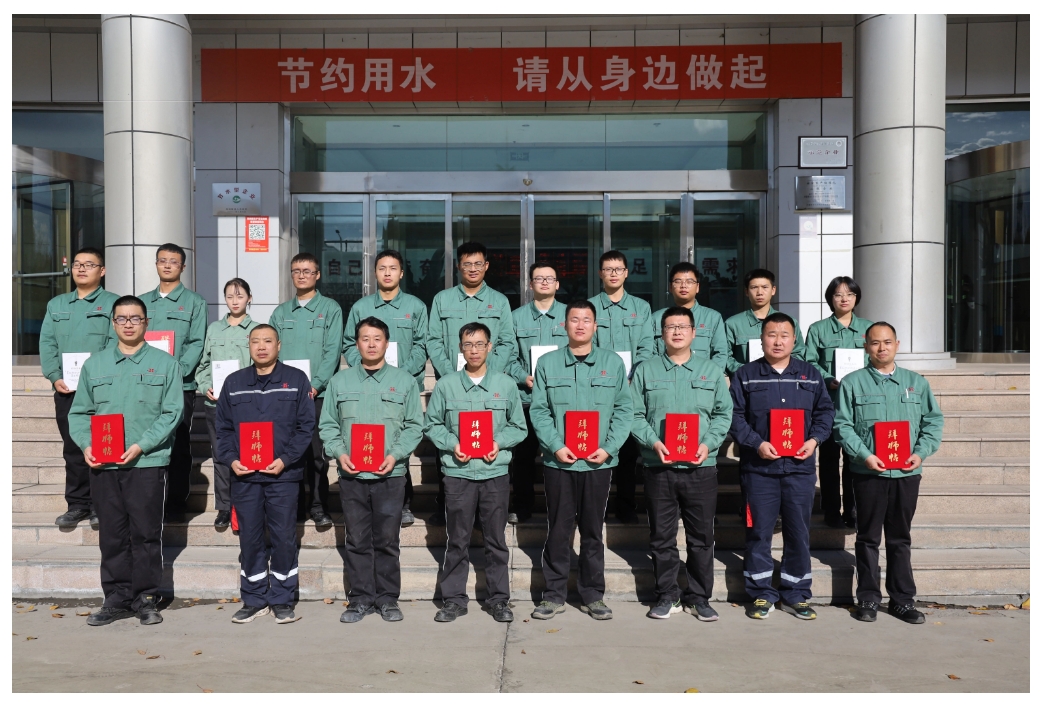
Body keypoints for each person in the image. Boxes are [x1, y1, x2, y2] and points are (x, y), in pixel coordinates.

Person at [69, 295, 183, 626]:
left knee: (145, 533)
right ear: (113, 323)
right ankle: (116, 599)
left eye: (135, 318)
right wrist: (87, 445)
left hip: (146, 463)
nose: (128, 324)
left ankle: (146, 598)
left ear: (146, 323)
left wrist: (142, 445)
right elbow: (80, 413)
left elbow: (172, 412)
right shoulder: (95, 365)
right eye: (122, 318)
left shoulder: (165, 364)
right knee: (112, 535)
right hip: (104, 466)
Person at [833, 322, 944, 625]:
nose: (881, 348)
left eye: (887, 342)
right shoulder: (852, 383)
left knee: (899, 538)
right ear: (865, 347)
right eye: (875, 343)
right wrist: (865, 455)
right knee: (867, 538)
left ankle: (902, 600)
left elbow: (933, 422)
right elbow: (842, 425)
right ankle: (868, 598)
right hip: (868, 473)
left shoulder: (916, 383)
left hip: (906, 473)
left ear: (897, 344)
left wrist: (920, 452)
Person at [530, 300, 633, 621]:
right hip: (559, 462)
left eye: (586, 320)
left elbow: (624, 410)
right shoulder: (547, 363)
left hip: (598, 463)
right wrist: (556, 446)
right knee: (558, 529)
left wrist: (609, 447)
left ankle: (593, 595)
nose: (580, 325)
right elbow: (539, 410)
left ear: (595, 326)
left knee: (592, 530)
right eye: (574, 319)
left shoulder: (612, 363)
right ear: (564, 325)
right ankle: (554, 595)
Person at [729, 312, 834, 621]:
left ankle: (796, 594)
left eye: (784, 335)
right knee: (758, 532)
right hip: (759, 471)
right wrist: (756, 443)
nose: (777, 341)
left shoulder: (810, 375)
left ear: (794, 340)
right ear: (761, 339)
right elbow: (734, 416)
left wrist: (814, 440)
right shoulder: (746, 375)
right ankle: (761, 592)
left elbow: (825, 412)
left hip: (799, 470)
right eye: (771, 334)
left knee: (798, 533)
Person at [630, 307, 733, 621]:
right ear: (661, 333)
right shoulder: (646, 371)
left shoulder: (711, 371)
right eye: (670, 327)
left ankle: (699, 597)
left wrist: (707, 444)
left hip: (700, 467)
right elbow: (634, 414)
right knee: (661, 538)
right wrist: (653, 442)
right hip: (658, 467)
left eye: (682, 326)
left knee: (701, 538)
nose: (676, 332)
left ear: (694, 332)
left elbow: (723, 414)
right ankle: (667, 595)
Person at [319, 317, 423, 624]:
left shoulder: (404, 381)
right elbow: (328, 425)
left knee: (387, 539)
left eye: (377, 338)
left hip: (390, 475)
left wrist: (396, 455)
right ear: (356, 344)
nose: (372, 344)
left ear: (387, 344)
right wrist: (339, 453)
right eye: (365, 338)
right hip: (352, 475)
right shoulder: (339, 382)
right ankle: (361, 598)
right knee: (357, 539)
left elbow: (414, 426)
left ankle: (388, 598)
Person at [424, 322, 528, 623]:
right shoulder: (446, 385)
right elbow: (432, 424)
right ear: (460, 348)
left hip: (494, 473)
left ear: (489, 347)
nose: (474, 350)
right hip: (458, 473)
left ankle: (499, 600)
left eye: (480, 344)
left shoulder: (505, 385)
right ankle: (454, 600)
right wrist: (453, 444)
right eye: (468, 344)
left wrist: (498, 442)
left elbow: (518, 427)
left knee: (496, 540)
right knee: (457, 539)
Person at [215, 324, 314, 625]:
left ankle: (282, 598)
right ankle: (254, 598)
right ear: (248, 345)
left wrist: (285, 460)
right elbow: (223, 429)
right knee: (250, 538)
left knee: (284, 537)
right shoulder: (234, 382)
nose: (261, 346)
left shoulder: (296, 380)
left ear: (278, 345)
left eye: (267, 341)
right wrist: (231, 460)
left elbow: (305, 427)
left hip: (283, 476)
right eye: (255, 341)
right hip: (245, 476)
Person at [426, 242, 517, 526]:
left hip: (490, 388)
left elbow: (507, 342)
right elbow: (433, 340)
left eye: (478, 263)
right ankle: (447, 505)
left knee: (488, 441)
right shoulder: (442, 299)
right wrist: (451, 375)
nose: (473, 269)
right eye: (467, 264)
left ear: (486, 266)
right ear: (459, 266)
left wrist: (489, 375)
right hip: (452, 388)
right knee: (449, 443)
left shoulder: (499, 301)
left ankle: (486, 511)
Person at [343, 249, 428, 527]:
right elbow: (349, 344)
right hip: (365, 385)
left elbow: (422, 344)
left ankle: (404, 503)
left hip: (403, 387)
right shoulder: (361, 307)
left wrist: (400, 375)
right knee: (371, 438)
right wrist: (362, 368)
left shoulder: (416, 306)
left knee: (400, 442)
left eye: (393, 268)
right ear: (375, 273)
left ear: (402, 273)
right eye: (382, 268)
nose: (387, 273)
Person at [39, 246, 119, 531]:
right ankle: (77, 504)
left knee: (104, 446)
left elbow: (116, 342)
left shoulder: (113, 303)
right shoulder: (57, 304)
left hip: (104, 390)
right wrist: (54, 376)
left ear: (102, 271)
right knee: (73, 449)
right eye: (77, 264)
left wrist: (103, 377)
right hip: (67, 390)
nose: (81, 268)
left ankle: (101, 505)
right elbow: (47, 343)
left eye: (89, 264)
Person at [269, 252, 344, 529]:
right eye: (296, 271)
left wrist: (315, 384)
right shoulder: (280, 313)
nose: (301, 275)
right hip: (285, 395)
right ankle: (295, 506)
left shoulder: (330, 309)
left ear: (317, 275)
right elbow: (271, 351)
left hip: (316, 395)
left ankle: (319, 506)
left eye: (307, 271)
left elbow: (332, 351)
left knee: (316, 455)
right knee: (289, 452)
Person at [142, 243, 207, 521]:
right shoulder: (141, 302)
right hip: (144, 385)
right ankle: (148, 501)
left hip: (180, 385)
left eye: (173, 261)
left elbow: (196, 342)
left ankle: (176, 503)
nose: (167, 265)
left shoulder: (195, 302)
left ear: (183, 267)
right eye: (162, 260)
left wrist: (175, 372)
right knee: (146, 442)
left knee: (178, 443)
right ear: (156, 264)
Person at [589, 250, 654, 524]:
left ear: (626, 273)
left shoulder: (642, 307)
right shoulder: (590, 307)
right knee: (597, 448)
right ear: (600, 273)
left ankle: (626, 506)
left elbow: (647, 347)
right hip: (597, 390)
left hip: (630, 389)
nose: (613, 273)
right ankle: (596, 508)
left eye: (618, 269)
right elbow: (585, 345)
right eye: (608, 269)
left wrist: (632, 377)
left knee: (627, 452)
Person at [805, 276, 873, 529]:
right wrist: (827, 378)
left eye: (850, 294)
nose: (844, 299)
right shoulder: (818, 329)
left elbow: (876, 359)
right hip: (830, 402)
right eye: (838, 294)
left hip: (860, 404)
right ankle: (831, 509)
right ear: (830, 299)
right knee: (829, 459)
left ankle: (853, 508)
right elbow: (809, 362)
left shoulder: (869, 328)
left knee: (855, 457)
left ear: (856, 298)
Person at [506, 261, 568, 525]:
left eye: (549, 278)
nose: (544, 282)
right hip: (528, 398)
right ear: (530, 284)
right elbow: (508, 357)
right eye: (539, 278)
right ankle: (522, 506)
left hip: (563, 400)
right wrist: (524, 377)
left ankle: (563, 509)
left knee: (562, 453)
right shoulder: (515, 317)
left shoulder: (570, 315)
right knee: (523, 457)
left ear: (557, 284)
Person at [196, 278, 258, 529]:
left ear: (249, 298)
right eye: (230, 296)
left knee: (248, 454)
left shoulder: (257, 330)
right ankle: (224, 507)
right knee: (221, 455)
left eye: (240, 296)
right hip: (217, 405)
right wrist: (205, 387)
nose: (235, 301)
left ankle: (247, 505)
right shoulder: (213, 330)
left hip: (248, 405)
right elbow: (203, 366)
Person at [724, 268, 806, 376]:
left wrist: (780, 368)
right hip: (746, 380)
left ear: (773, 290)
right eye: (754, 287)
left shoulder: (788, 322)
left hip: (782, 379)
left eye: (765, 287)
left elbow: (799, 353)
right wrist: (747, 370)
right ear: (747, 291)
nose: (759, 292)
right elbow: (725, 356)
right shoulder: (733, 324)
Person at [650, 264, 728, 370]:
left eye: (689, 281)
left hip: (702, 378)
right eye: (678, 281)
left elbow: (720, 354)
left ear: (697, 287)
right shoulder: (656, 318)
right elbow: (650, 353)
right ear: (670, 287)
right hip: (665, 378)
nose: (684, 286)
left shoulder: (712, 318)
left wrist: (708, 376)